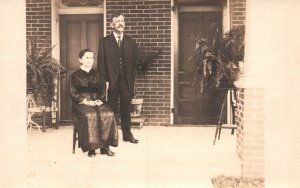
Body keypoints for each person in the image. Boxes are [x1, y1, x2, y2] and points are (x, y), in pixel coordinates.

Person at [97, 12, 139, 144]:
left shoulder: (130, 42)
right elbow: (101, 63)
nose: (121, 23)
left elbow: (134, 63)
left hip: (126, 81)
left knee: (126, 108)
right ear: (111, 25)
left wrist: (131, 80)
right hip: (111, 81)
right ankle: (111, 136)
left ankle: (127, 135)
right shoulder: (104, 42)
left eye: (122, 21)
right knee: (112, 108)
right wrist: (105, 81)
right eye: (117, 21)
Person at [69, 48, 118, 157]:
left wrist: (99, 100)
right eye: (87, 57)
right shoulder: (74, 75)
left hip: (97, 101)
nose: (90, 60)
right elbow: (73, 92)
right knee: (90, 115)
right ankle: (91, 148)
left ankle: (105, 147)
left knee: (108, 114)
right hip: (81, 103)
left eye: (91, 57)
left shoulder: (98, 74)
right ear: (80, 60)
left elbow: (102, 90)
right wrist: (85, 101)